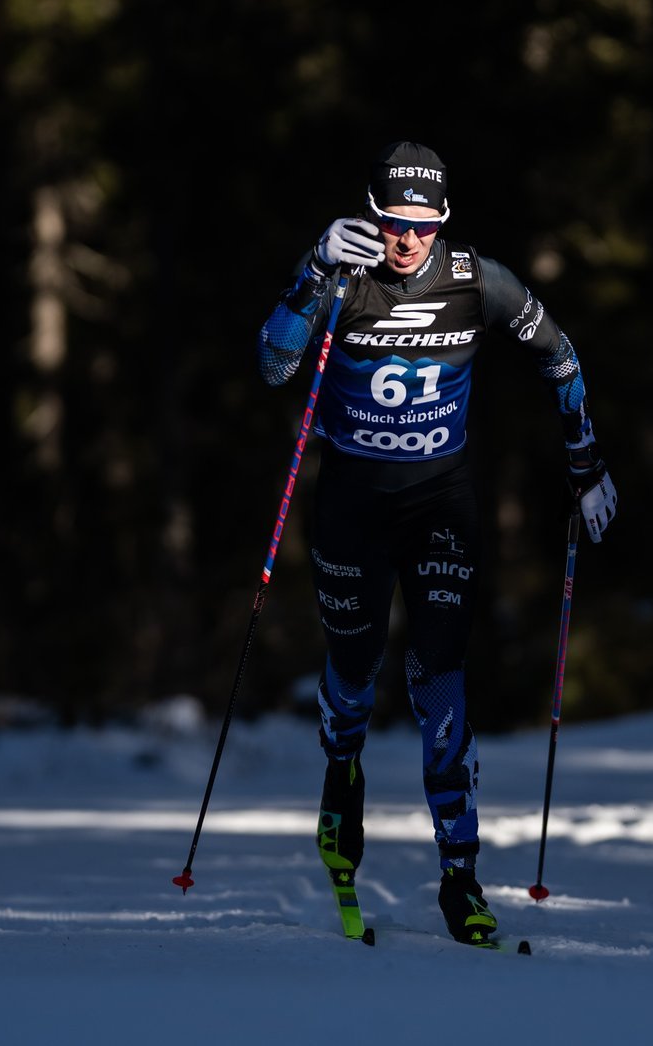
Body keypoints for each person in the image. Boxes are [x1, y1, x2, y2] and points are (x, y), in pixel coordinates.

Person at [255, 140, 618, 947]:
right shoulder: (343, 275)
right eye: (393, 223)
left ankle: (460, 873)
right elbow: (276, 364)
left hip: (439, 505)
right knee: (353, 675)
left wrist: (586, 463)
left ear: (443, 222)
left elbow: (559, 355)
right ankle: (341, 769)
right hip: (351, 503)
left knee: (441, 682)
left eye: (423, 225)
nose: (407, 240)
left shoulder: (475, 282)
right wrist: (312, 269)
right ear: (371, 213)